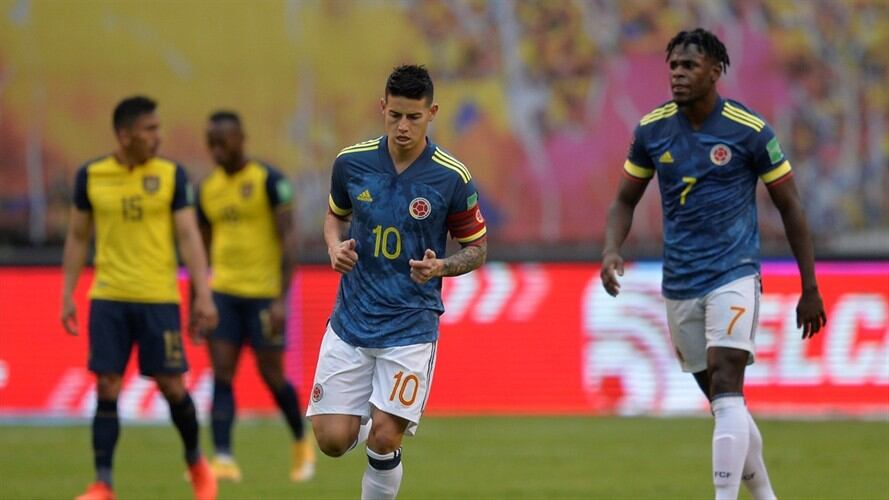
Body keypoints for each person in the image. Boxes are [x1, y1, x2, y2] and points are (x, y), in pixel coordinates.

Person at [601, 29, 827, 500]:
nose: (679, 75)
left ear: (716, 71)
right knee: (724, 402)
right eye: (674, 67)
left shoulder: (750, 130)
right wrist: (611, 249)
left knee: (728, 380)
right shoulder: (652, 130)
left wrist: (810, 286)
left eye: (689, 66)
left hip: (735, 273)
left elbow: (791, 206)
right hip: (680, 282)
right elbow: (624, 199)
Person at [307, 64, 488, 499]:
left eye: (414, 117)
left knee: (385, 438)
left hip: (410, 325)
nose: (403, 127)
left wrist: (441, 267)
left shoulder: (451, 177)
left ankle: (385, 422)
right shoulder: (351, 163)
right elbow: (336, 215)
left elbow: (477, 248)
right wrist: (334, 246)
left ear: (432, 113)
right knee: (332, 442)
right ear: (382, 108)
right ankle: (373, 415)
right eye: (395, 116)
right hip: (351, 320)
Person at [61, 96, 219, 500]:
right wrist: (68, 293)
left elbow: (188, 237)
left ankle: (197, 465)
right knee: (107, 385)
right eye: (149, 129)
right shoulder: (91, 176)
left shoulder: (170, 175)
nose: (157, 136)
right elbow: (78, 237)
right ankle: (103, 483)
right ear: (125, 134)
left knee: (172, 387)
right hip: (109, 297)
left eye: (158, 128)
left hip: (158, 298)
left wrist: (202, 294)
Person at [195, 111, 315, 482]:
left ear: (241, 138)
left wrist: (281, 299)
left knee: (272, 375)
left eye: (223, 142)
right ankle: (224, 458)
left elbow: (288, 242)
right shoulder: (207, 190)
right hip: (224, 294)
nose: (216, 150)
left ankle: (300, 441)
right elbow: (200, 247)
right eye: (211, 143)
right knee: (223, 373)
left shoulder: (270, 181)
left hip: (264, 296)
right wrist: (196, 300)